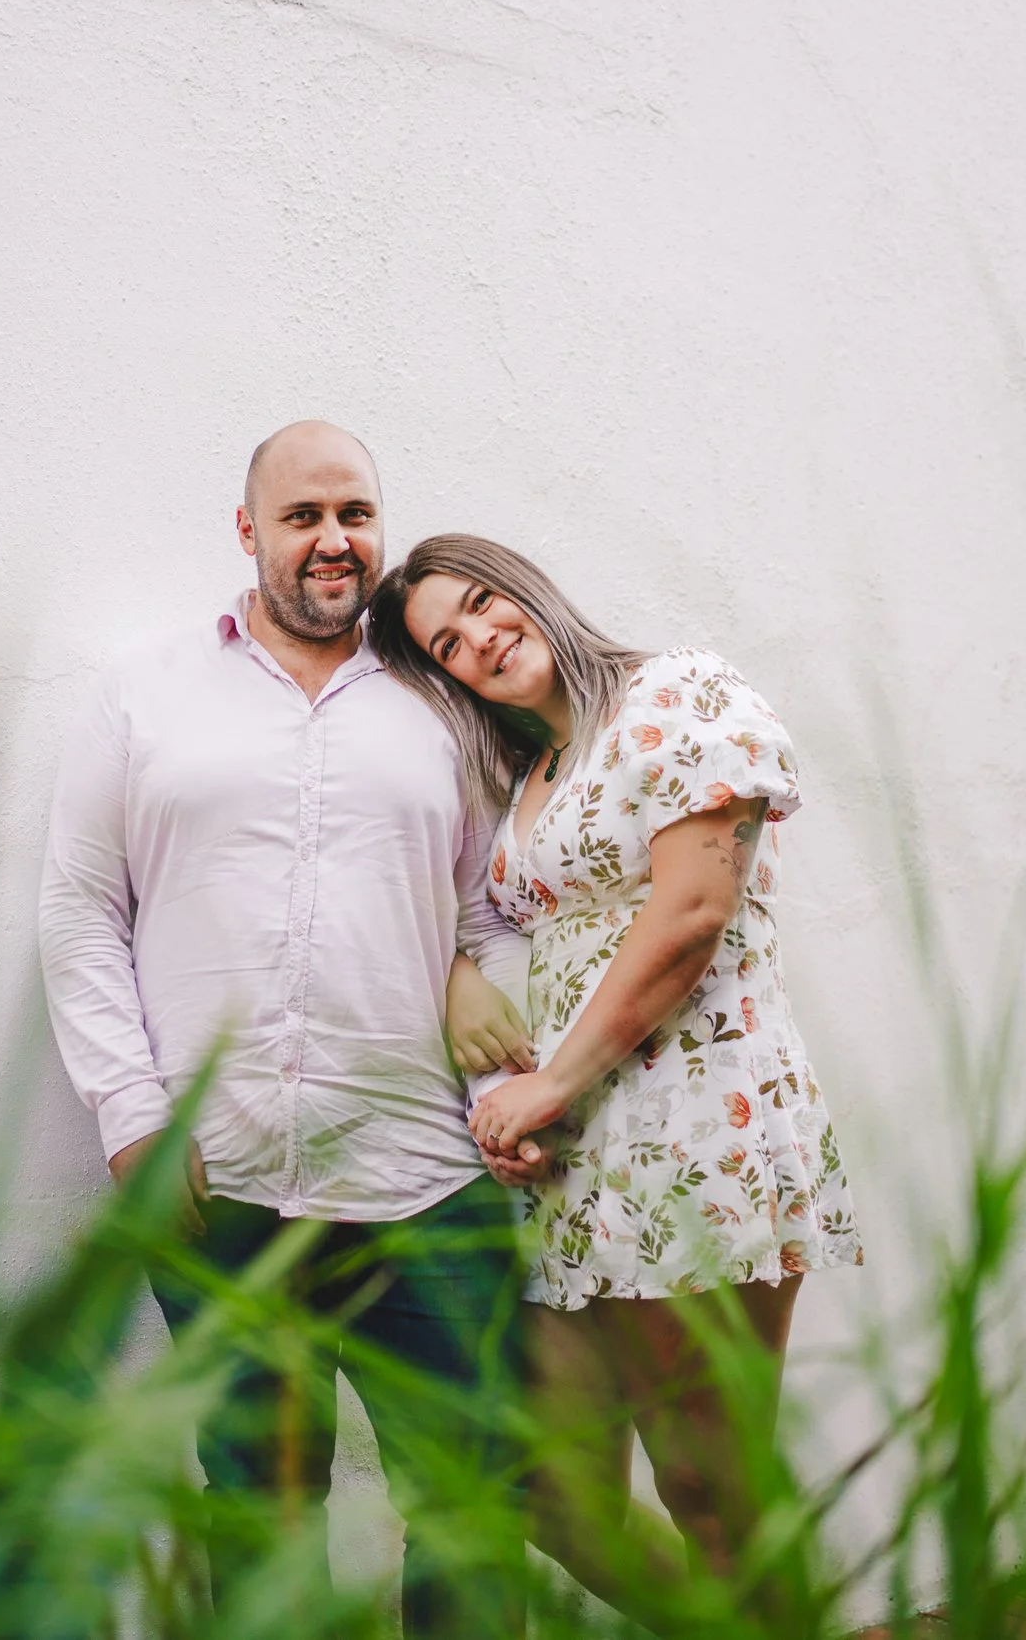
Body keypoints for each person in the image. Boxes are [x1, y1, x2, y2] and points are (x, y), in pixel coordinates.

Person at [38, 423, 536, 1636]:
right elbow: (78, 908)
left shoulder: (441, 698)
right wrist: (131, 1120)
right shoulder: (144, 693)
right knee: (257, 1512)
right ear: (248, 529)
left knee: (475, 1500)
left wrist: (477, 961)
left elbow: (499, 894)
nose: (332, 539)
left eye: (355, 513)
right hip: (225, 1181)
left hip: (425, 1179)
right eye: (303, 514)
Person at [369, 533, 863, 1623]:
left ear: (529, 586)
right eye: (447, 643)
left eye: (484, 604)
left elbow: (691, 911)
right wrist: (464, 987)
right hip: (579, 1165)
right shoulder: (525, 774)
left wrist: (551, 1084)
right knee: (551, 1484)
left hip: (699, 1124)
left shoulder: (675, 692)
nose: (479, 640)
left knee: (710, 1483)